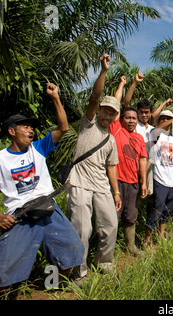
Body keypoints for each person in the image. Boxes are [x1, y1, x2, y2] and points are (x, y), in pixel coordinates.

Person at [0, 83, 84, 292]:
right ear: (11, 131)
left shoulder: (38, 148)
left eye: (31, 127)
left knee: (71, 250)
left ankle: (52, 287)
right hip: (21, 217)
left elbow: (63, 128)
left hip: (48, 209)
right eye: (25, 126)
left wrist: (55, 97)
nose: (31, 129)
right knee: (1, 275)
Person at [67, 54, 121, 281]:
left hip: (101, 185)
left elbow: (111, 168)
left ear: (115, 116)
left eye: (111, 112)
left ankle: (103, 261)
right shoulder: (88, 124)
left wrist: (116, 191)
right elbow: (94, 97)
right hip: (79, 181)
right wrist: (104, 71)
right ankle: (79, 272)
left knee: (110, 224)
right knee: (82, 230)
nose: (107, 114)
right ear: (99, 110)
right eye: (105, 109)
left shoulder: (111, 140)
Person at [109, 76, 148, 257]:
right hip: (116, 181)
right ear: (122, 119)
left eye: (134, 118)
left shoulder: (139, 138)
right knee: (112, 217)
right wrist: (125, 83)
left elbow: (142, 160)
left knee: (130, 216)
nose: (132, 120)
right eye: (128, 117)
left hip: (133, 182)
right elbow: (118, 103)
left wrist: (144, 182)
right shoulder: (116, 129)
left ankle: (130, 247)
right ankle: (108, 251)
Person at [143, 110, 173, 248]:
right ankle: (147, 240)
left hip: (170, 181)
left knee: (167, 211)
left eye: (168, 119)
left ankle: (161, 236)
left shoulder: (172, 139)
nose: (166, 121)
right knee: (156, 210)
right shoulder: (155, 135)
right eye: (164, 118)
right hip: (159, 179)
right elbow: (160, 128)